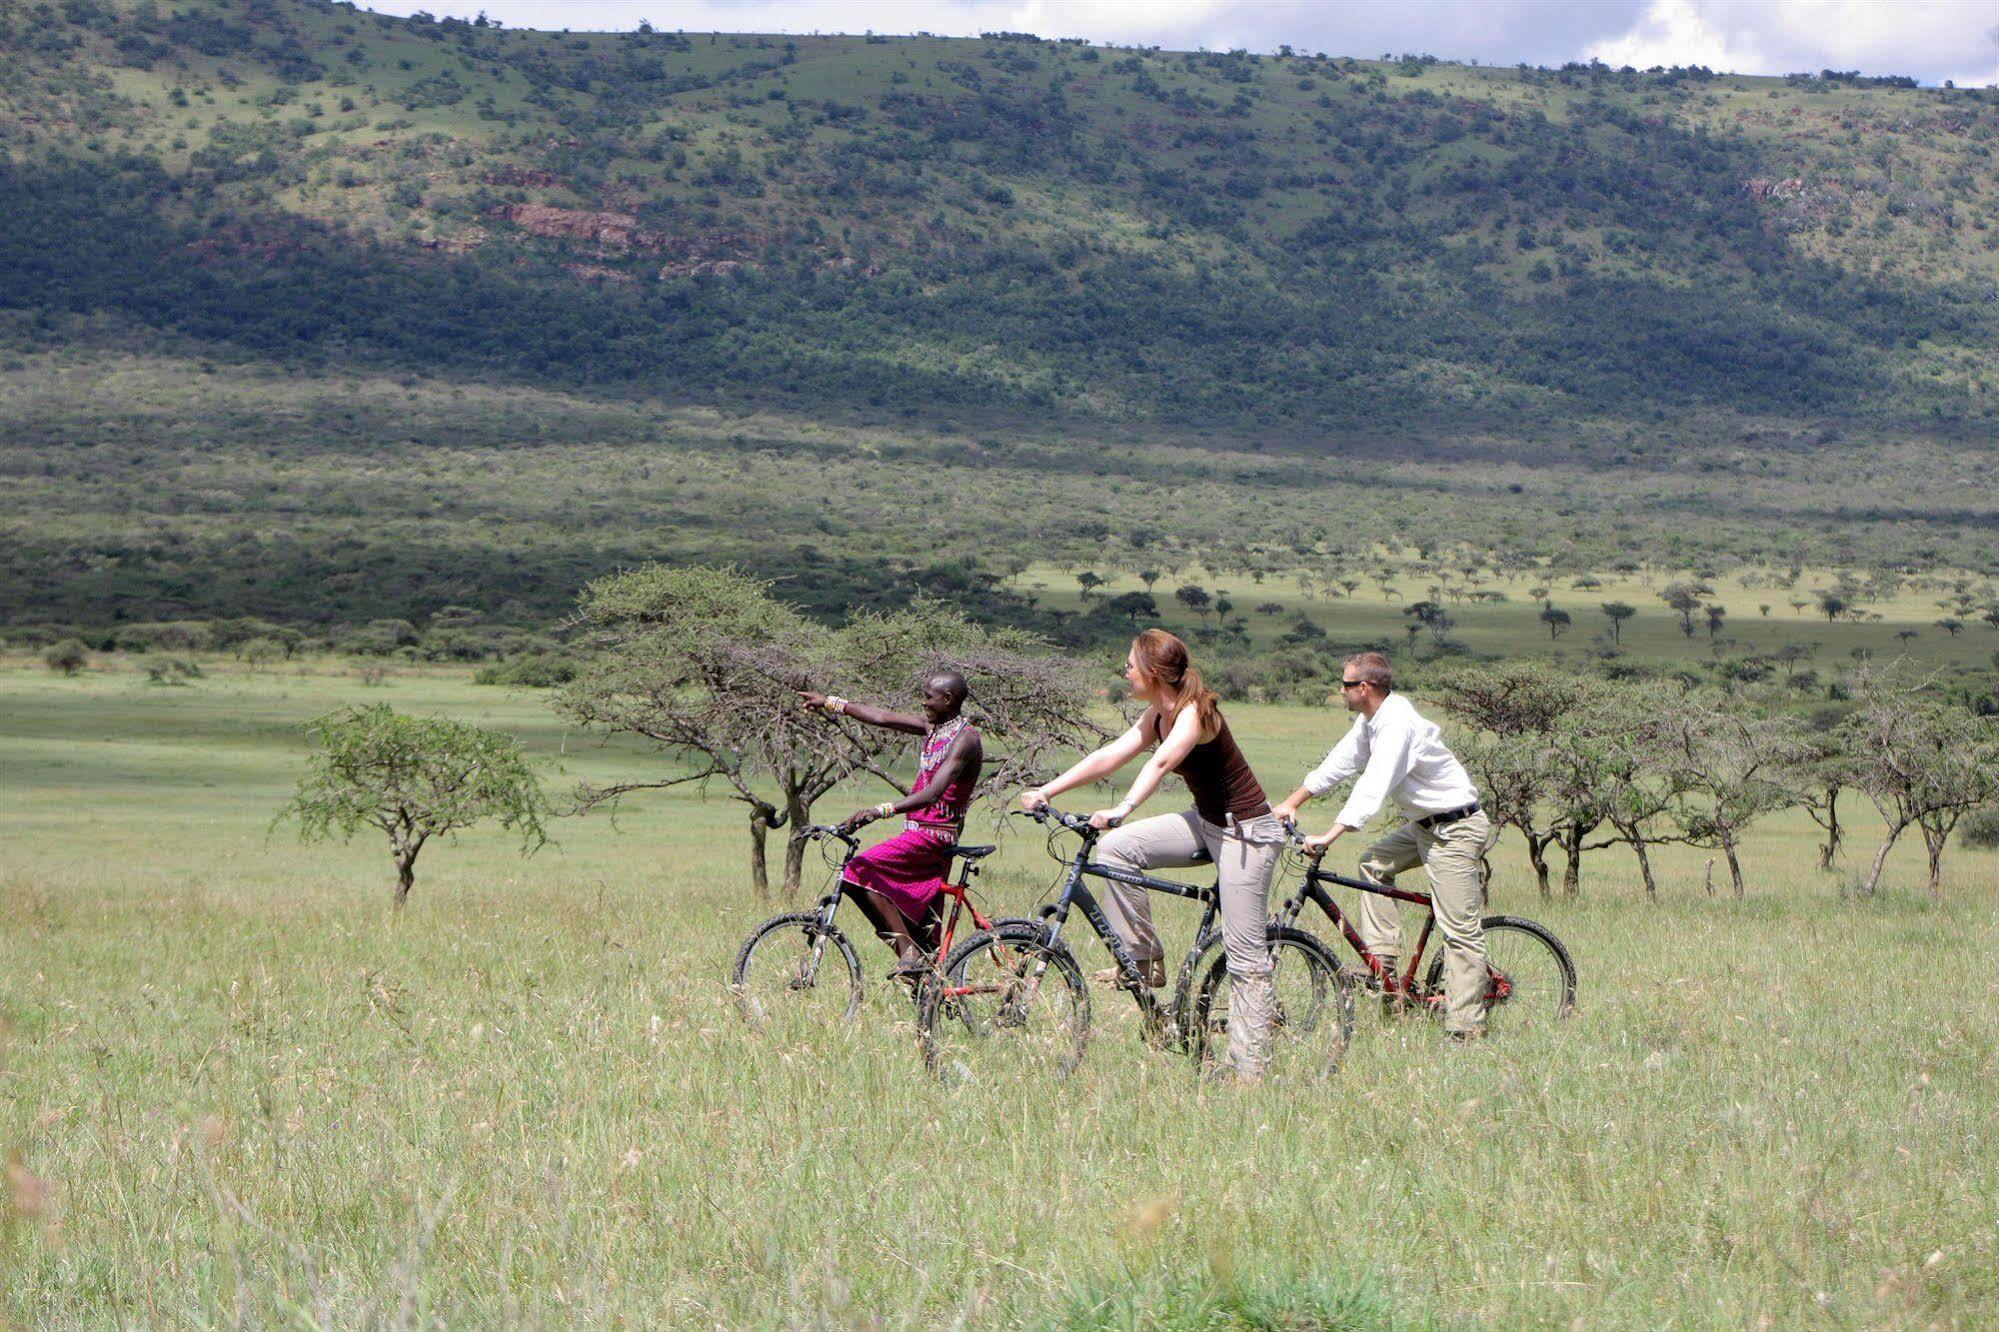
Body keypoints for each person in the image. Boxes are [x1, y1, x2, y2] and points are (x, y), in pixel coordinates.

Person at [1019, 629, 1283, 1081]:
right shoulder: (1157, 714)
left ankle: (1250, 1074)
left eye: (1130, 664)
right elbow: (1112, 755)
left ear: (1153, 672)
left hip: (1247, 834)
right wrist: (1048, 789)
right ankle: (1142, 961)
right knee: (1116, 849)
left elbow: (1159, 764)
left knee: (1245, 959)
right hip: (1207, 823)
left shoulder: (1195, 714)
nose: (1125, 671)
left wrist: (1122, 808)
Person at [1270, 651, 1494, 1039]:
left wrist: (1331, 834)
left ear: (1364, 687)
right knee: (1374, 864)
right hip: (1425, 827)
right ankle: (1383, 964)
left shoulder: (1397, 724)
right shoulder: (1371, 721)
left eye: (1344, 684)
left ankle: (1465, 1030)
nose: (1340, 691)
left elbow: (1373, 784)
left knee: (1459, 931)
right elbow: (1339, 763)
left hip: (1456, 829)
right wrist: (1293, 801)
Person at [799, 672, 983, 977]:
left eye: (928, 696)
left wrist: (880, 810)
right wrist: (831, 703)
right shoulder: (934, 727)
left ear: (948, 699)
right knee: (926, 938)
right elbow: (882, 717)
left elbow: (933, 793)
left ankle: (907, 952)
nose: (924, 703)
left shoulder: (965, 740)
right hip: (917, 834)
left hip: (935, 838)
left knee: (859, 870)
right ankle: (924, 984)